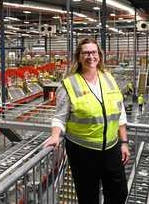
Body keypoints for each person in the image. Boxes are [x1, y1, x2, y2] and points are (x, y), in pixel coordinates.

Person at [44, 38, 130, 204]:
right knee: (88, 197)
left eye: (94, 52)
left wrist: (124, 142)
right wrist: (55, 135)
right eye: (86, 53)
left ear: (99, 55)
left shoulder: (108, 78)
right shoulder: (68, 84)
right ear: (79, 57)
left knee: (119, 192)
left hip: (111, 148)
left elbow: (120, 113)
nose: (91, 56)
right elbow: (60, 116)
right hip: (83, 152)